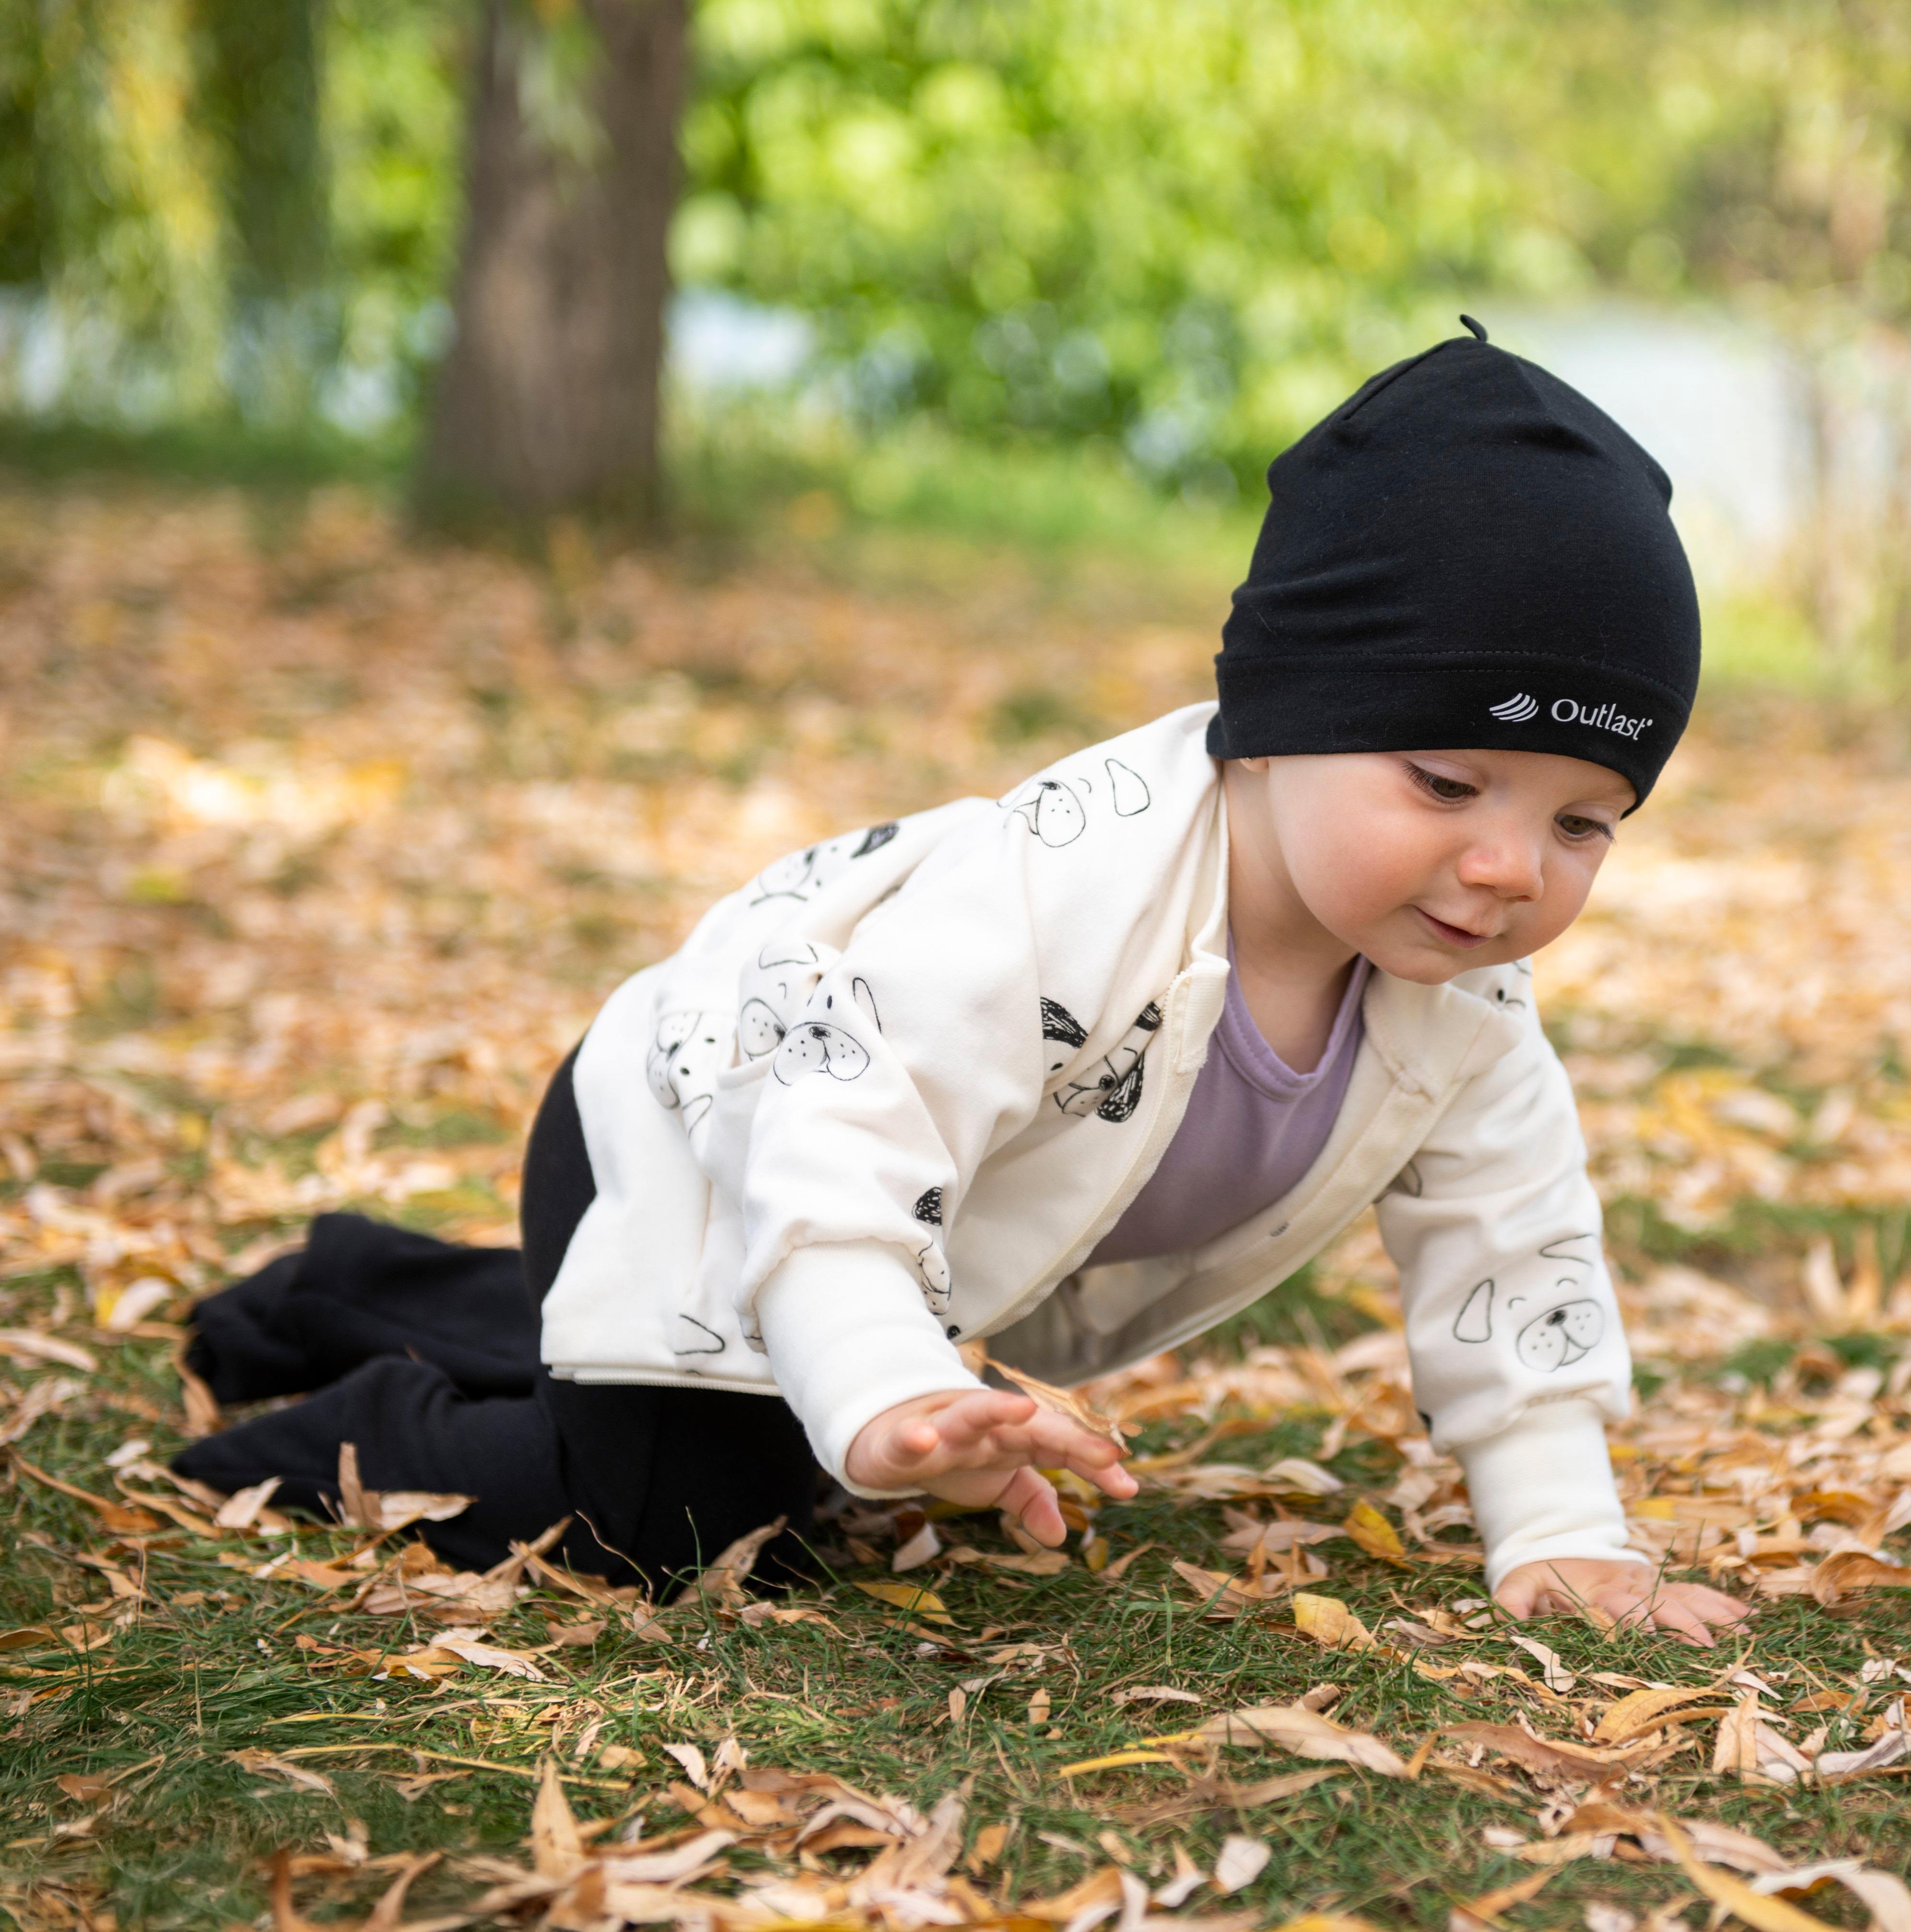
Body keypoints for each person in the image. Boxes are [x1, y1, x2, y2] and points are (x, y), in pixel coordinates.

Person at [175, 320, 1751, 1646]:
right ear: (1278, 716)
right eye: (1444, 781)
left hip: (857, 1209)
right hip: (714, 1118)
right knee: (688, 1523)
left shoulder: (1458, 1007)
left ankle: (367, 1281)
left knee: (727, 1394)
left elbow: (1514, 1248)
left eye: (1582, 823)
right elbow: (843, 1131)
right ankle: (351, 1428)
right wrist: (884, 1399)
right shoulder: (1058, 899)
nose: (1509, 868)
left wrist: (1558, 1526)